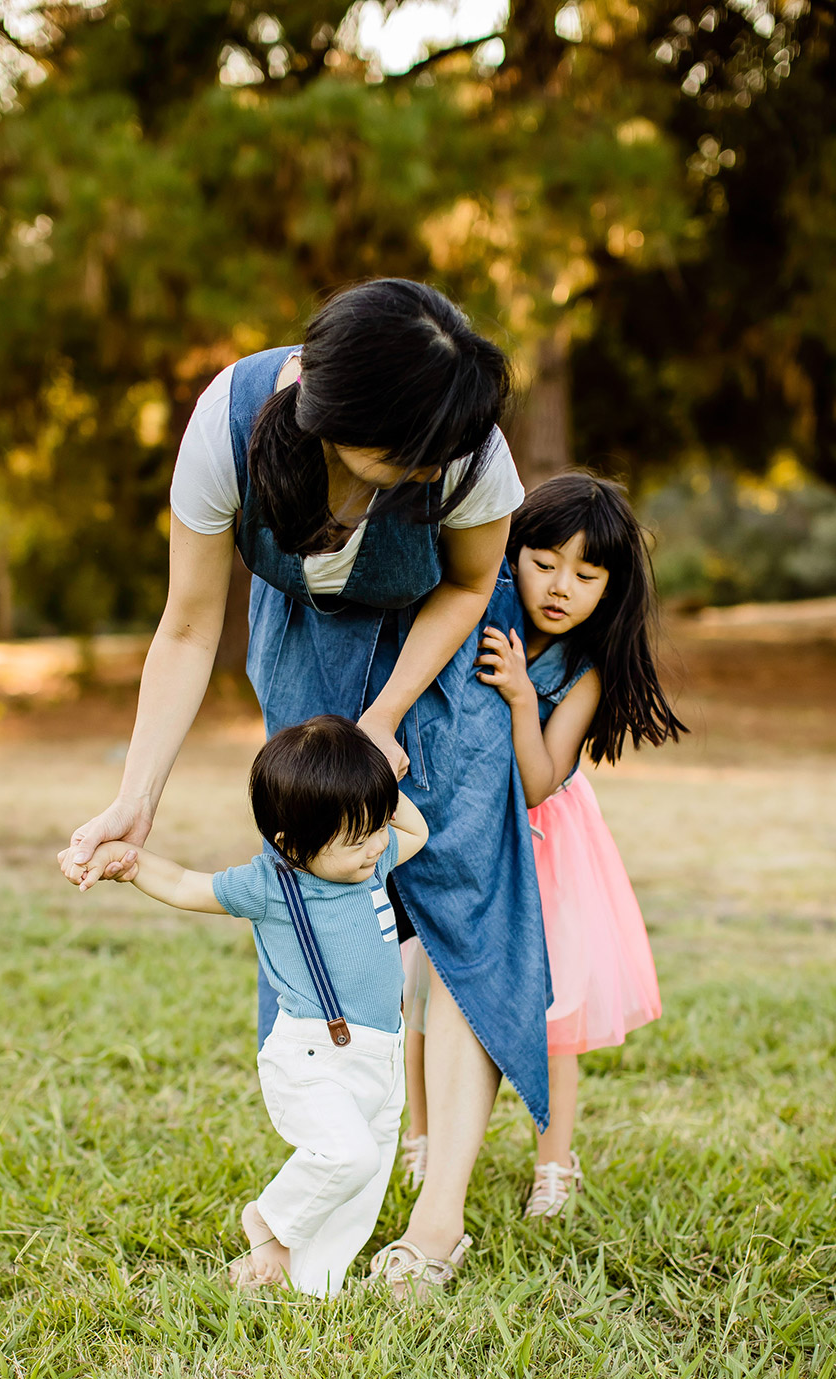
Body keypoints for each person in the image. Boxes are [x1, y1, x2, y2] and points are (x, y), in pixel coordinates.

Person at [61, 279, 546, 1300]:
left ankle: (437, 1218)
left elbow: (467, 582)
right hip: (305, 651)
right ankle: (329, 1169)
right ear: (333, 421)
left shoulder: (463, 443)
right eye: (404, 457)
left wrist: (387, 716)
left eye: (439, 455)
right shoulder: (227, 429)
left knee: (460, 898)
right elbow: (190, 625)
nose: (429, 469)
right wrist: (136, 798)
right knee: (317, 899)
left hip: (444, 654)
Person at [400, 473, 685, 1219]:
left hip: (542, 847)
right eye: (544, 562)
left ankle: (554, 1158)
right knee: (424, 990)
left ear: (609, 589)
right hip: (455, 839)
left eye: (587, 575)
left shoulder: (581, 671)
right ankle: (422, 1136)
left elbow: (539, 781)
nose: (561, 586)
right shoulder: (473, 607)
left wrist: (525, 697)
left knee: (549, 1007)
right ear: (511, 550)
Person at [73, 716, 429, 1297]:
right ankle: (268, 1221)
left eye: (375, 828)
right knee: (348, 1156)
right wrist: (133, 864)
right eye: (356, 837)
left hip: (380, 1062)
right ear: (293, 844)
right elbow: (189, 883)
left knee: (360, 1189)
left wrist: (379, 788)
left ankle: (307, 1284)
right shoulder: (271, 884)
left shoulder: (372, 865)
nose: (376, 845)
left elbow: (415, 832)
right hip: (316, 1059)